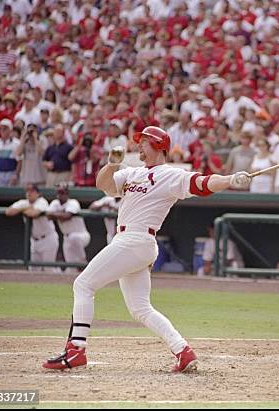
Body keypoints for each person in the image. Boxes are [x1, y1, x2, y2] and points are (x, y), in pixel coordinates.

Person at [42, 126, 252, 372]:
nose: (139, 145)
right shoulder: (131, 172)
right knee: (140, 308)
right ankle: (183, 351)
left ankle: (76, 349)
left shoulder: (171, 175)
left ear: (158, 145)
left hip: (135, 239)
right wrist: (111, 164)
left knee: (83, 284)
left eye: (144, 141)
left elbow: (203, 183)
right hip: (132, 242)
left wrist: (230, 180)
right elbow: (105, 186)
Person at [5, 184, 59, 270]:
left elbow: (33, 214)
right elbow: (8, 212)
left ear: (38, 193)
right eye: (27, 191)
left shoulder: (42, 201)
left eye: (32, 191)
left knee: (49, 268)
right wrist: (25, 208)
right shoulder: (24, 202)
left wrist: (22, 209)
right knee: (33, 269)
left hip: (48, 239)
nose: (29, 193)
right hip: (34, 240)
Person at [46, 183, 91, 266]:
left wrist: (56, 214)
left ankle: (82, 260)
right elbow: (48, 215)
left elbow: (67, 216)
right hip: (66, 238)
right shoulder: (55, 203)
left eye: (62, 193)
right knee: (70, 267)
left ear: (67, 194)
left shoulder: (73, 202)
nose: (60, 195)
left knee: (73, 237)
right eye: (59, 193)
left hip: (81, 235)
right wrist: (60, 214)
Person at [0, 118, 20, 187]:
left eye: (5, 128)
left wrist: (16, 175)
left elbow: (19, 161)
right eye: (1, 128)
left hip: (11, 174)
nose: (2, 130)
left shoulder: (17, 143)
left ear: (10, 130)